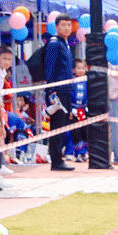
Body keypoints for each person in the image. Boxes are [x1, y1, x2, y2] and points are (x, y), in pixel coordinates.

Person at [43, 15, 76, 171]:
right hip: (57, 92)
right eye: (63, 25)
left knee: (63, 126)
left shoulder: (66, 44)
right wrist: (51, 92)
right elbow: (49, 69)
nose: (67, 28)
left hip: (66, 90)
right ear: (56, 26)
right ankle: (56, 161)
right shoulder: (55, 44)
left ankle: (59, 158)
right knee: (57, 126)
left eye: (69, 25)